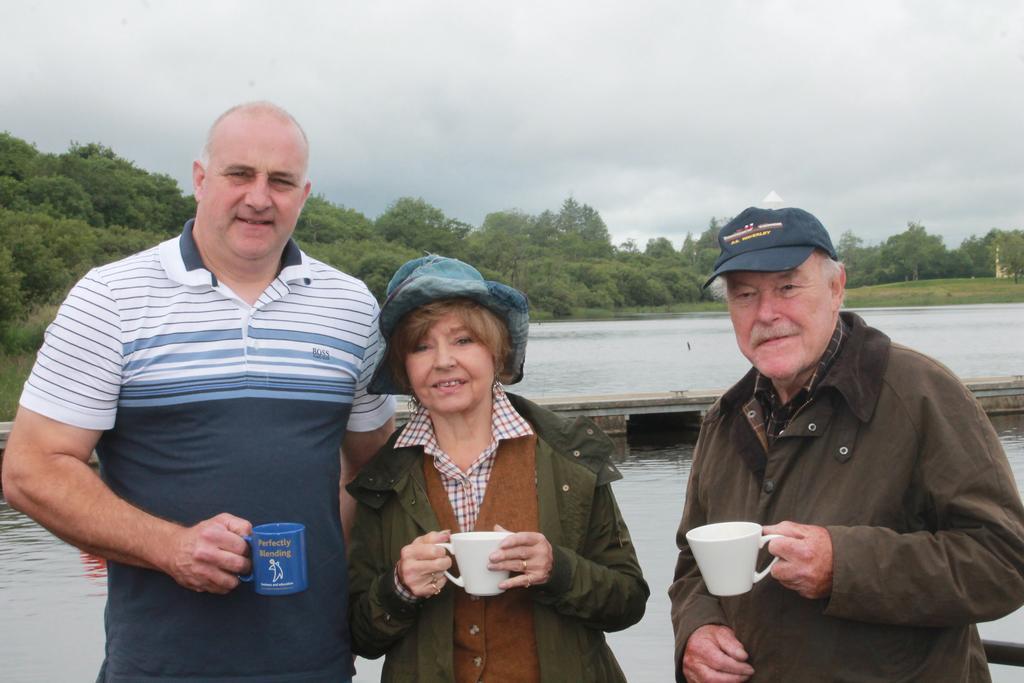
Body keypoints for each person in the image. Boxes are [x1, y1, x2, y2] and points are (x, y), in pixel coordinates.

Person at [1, 102, 395, 682]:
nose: (260, 197)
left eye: (280, 181)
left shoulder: (351, 307)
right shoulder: (110, 298)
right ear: (201, 179)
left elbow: (377, 471)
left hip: (318, 661)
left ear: (303, 193)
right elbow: (30, 468)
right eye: (240, 174)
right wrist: (170, 547)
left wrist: (353, 584)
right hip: (161, 665)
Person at [669, 206, 1024, 682]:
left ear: (837, 288)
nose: (766, 312)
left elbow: (1004, 563)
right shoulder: (726, 418)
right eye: (745, 294)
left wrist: (844, 565)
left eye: (788, 287)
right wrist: (697, 629)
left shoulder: (922, 394)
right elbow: (693, 564)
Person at [346, 255, 649, 681]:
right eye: (421, 346)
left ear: (497, 350)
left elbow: (629, 601)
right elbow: (360, 636)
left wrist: (556, 569)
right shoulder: (381, 479)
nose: (443, 361)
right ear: (403, 368)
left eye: (464, 340)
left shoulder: (571, 458)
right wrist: (398, 586)